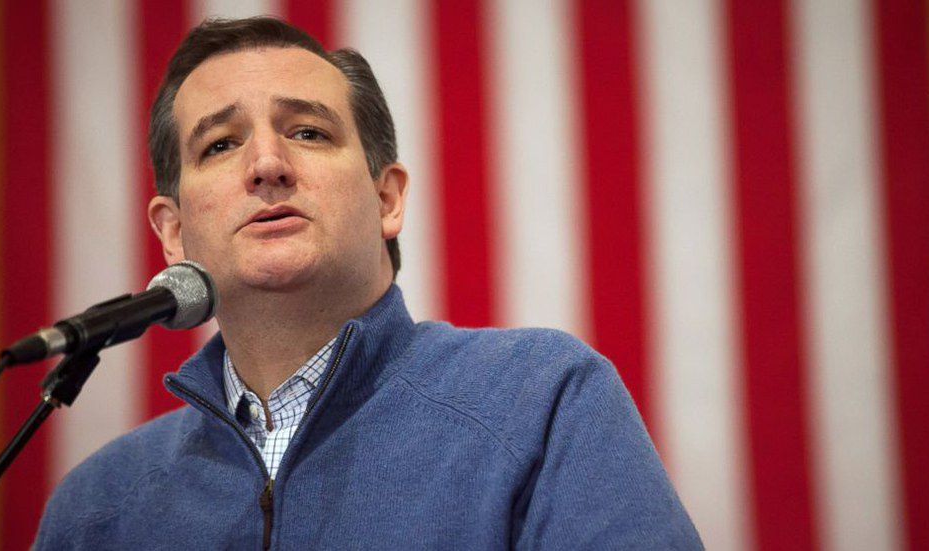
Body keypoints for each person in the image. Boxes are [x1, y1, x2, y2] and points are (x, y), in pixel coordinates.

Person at [34, 17, 702, 550]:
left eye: (308, 131)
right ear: (174, 231)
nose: (267, 163)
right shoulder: (96, 508)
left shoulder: (543, 401)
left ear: (388, 199)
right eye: (220, 144)